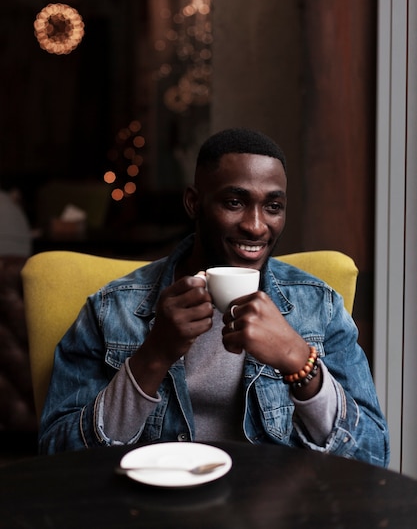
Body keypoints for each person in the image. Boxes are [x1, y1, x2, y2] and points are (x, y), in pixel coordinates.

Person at [39, 128, 389, 467]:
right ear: (194, 203)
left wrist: (298, 361)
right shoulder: (112, 307)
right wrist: (155, 354)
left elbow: (372, 453)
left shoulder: (318, 306)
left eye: (273, 206)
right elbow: (58, 457)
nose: (255, 225)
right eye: (234, 202)